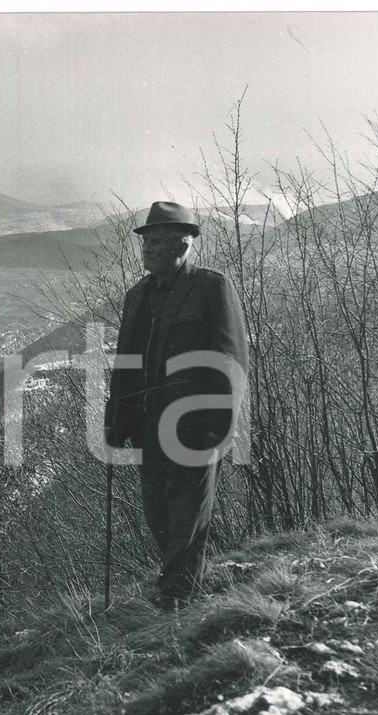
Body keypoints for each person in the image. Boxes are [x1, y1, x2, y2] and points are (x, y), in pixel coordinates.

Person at [104, 201, 248, 610]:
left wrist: (217, 431)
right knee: (159, 517)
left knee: (186, 518)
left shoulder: (211, 287)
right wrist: (114, 421)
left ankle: (176, 600)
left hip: (195, 429)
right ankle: (183, 586)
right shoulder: (137, 297)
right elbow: (124, 368)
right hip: (149, 430)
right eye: (146, 241)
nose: (146, 249)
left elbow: (231, 361)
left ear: (182, 245)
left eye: (156, 242)